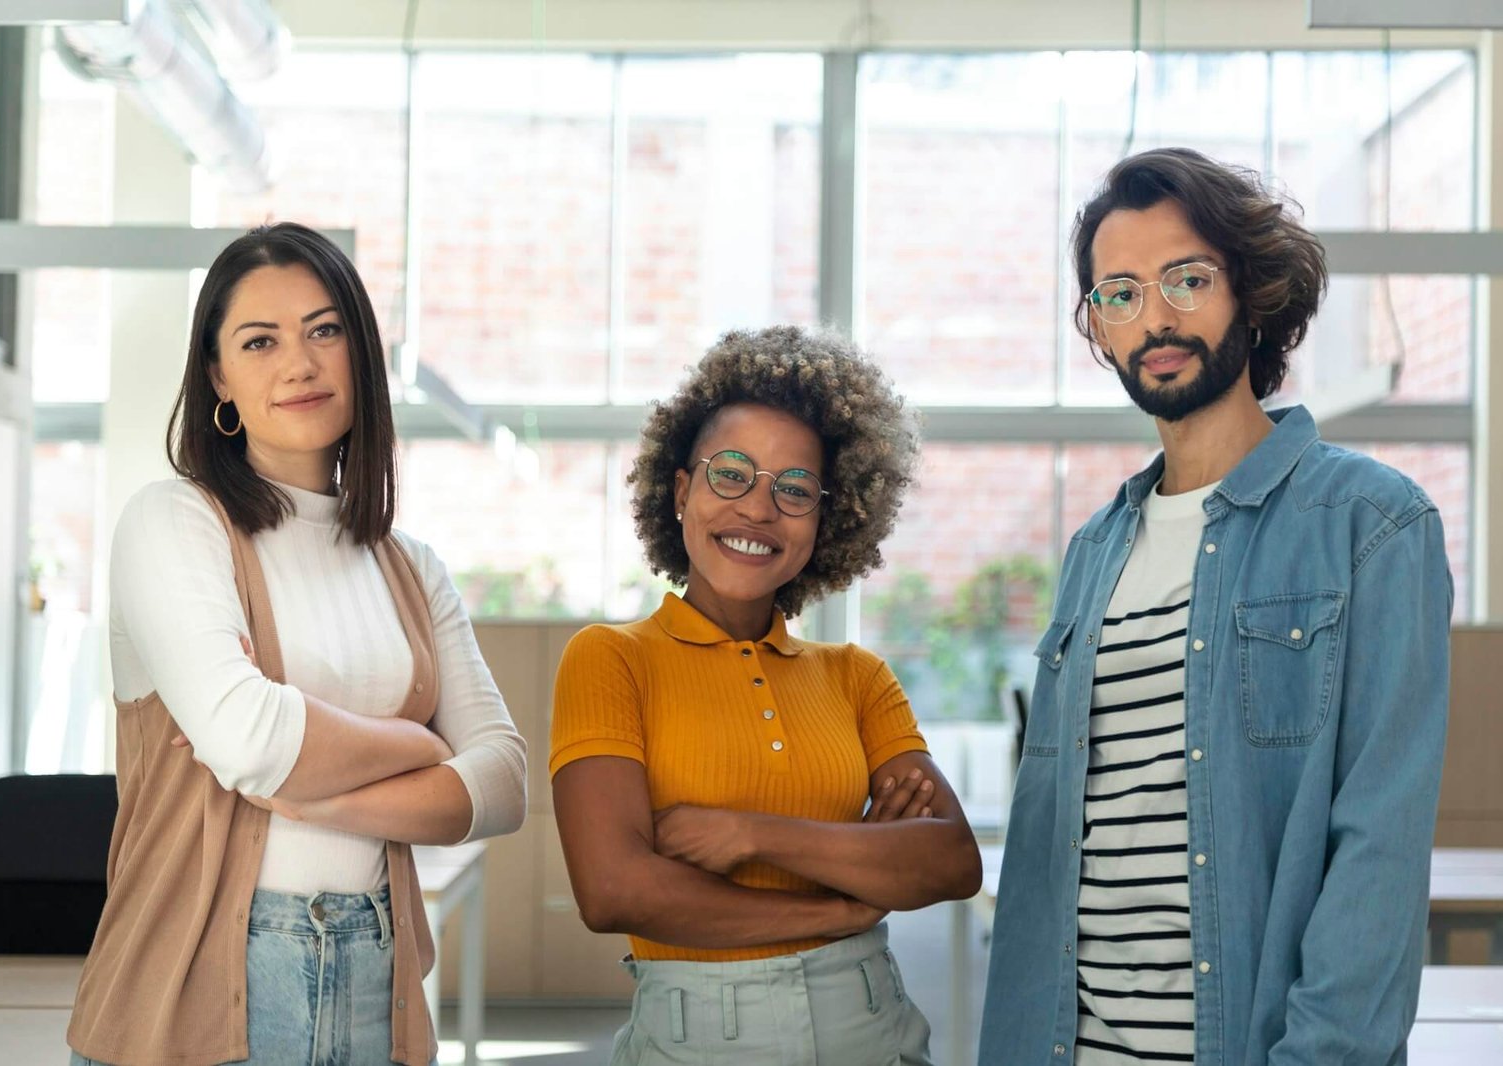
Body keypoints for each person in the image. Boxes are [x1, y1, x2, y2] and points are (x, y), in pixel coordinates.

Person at [979, 148, 1451, 1065]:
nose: (1154, 316)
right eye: (1119, 293)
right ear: (1099, 327)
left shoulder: (1373, 526)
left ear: (1251, 290)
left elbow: (1378, 857)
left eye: (1186, 279)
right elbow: (1053, 858)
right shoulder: (1093, 554)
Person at [67, 222, 528, 1066]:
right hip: (190, 996)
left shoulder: (410, 567)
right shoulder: (174, 523)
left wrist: (312, 796)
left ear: (361, 352)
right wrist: (418, 747)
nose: (300, 363)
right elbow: (250, 738)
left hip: (375, 985)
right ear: (219, 377)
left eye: (326, 330)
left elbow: (500, 784)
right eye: (259, 340)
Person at [550, 325, 981, 1066]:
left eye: (793, 490)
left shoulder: (856, 676)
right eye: (731, 474)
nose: (757, 509)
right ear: (681, 489)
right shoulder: (611, 659)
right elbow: (615, 890)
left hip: (872, 1024)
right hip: (695, 1038)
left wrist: (752, 834)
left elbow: (949, 861)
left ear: (827, 519)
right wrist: (845, 897)